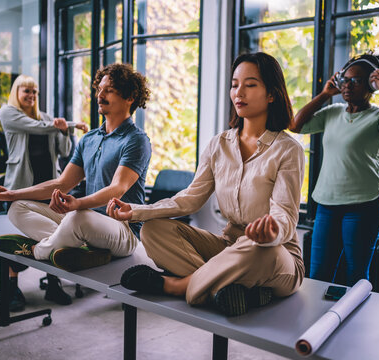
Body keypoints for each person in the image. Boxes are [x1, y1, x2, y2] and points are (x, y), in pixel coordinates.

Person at [109, 52, 305, 317]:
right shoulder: (219, 144)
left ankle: (179, 286)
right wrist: (137, 211)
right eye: (235, 85)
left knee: (257, 248)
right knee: (153, 230)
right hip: (229, 247)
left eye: (250, 84)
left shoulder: (288, 149)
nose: (239, 92)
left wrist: (273, 233)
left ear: (271, 93)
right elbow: (190, 198)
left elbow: (285, 212)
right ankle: (231, 289)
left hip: (274, 254)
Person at [0, 63, 151, 283]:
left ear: (130, 97)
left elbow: (117, 189)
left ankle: (37, 251)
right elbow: (62, 183)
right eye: (99, 89)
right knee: (17, 208)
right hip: (85, 222)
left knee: (78, 217)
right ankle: (79, 249)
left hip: (122, 229)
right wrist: (10, 194)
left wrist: (78, 204)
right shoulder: (90, 139)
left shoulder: (136, 140)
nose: (100, 95)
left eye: (108, 90)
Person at [288, 53, 379, 286]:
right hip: (327, 205)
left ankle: (354, 322)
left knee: (356, 277)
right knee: (317, 276)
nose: (348, 86)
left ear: (371, 85)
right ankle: (318, 322)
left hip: (363, 206)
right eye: (346, 79)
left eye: (357, 81)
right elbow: (295, 125)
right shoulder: (332, 113)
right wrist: (324, 94)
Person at [0, 74, 88, 311]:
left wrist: (66, 133)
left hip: (48, 185)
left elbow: (65, 150)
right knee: (16, 234)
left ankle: (53, 283)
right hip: (19, 185)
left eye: (34, 92)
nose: (31, 95)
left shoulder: (48, 119)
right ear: (17, 93)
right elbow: (36, 128)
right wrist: (71, 124)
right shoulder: (8, 112)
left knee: (53, 231)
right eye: (26, 91)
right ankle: (12, 286)